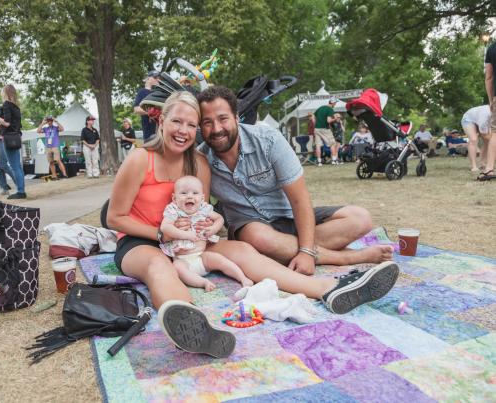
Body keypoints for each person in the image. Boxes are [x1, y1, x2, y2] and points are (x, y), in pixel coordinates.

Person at [106, 90, 399, 359]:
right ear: (161, 121)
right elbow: (114, 218)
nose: (183, 131)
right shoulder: (139, 160)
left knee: (244, 250)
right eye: (176, 122)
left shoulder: (199, 163)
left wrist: (207, 229)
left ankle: (326, 288)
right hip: (142, 241)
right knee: (160, 266)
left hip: (191, 243)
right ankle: (195, 327)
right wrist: (161, 233)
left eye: (191, 125)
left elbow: (205, 211)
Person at [196, 85, 394, 275]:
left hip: (290, 218)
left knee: (361, 218)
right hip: (252, 229)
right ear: (200, 126)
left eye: (223, 119)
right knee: (256, 236)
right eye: (207, 122)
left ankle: (283, 250)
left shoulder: (268, 140)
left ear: (237, 118)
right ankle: (345, 258)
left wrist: (306, 250)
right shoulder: (200, 160)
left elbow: (299, 199)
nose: (216, 128)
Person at [160, 175, 253, 292]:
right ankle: (203, 282)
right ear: (174, 198)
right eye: (183, 193)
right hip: (182, 259)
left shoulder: (203, 209)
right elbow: (165, 227)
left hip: (201, 256)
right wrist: (185, 235)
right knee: (177, 268)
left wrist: (213, 228)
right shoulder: (173, 210)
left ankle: (243, 278)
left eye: (195, 193)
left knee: (220, 260)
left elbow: (219, 219)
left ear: (202, 197)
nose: (189, 196)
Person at [0, 84, 26, 199]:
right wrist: (0, 124)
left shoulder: (6, 104)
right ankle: (21, 190)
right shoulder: (16, 106)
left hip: (9, 138)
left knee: (14, 166)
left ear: (5, 93)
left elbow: (7, 123)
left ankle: (20, 191)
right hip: (16, 136)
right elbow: (15, 124)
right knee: (18, 166)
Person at [478, 41, 496, 181]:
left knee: (495, 134)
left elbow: (488, 78)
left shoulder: (492, 48)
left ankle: (489, 169)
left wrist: (491, 100)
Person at [461, 105, 491, 171]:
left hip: (481, 121)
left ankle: (483, 164)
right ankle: (473, 166)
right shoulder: (485, 113)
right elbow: (484, 133)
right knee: (473, 139)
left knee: (488, 142)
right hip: (469, 119)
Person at [133, 70, 160, 142]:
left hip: (162, 131)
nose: (158, 79)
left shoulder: (160, 92)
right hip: (149, 132)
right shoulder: (142, 91)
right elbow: (136, 109)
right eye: (155, 77)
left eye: (158, 78)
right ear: (148, 79)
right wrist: (152, 112)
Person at [38, 116, 67, 180]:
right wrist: (42, 123)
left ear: (52, 121)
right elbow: (38, 131)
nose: (49, 122)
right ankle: (54, 176)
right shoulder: (46, 128)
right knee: (51, 162)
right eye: (48, 121)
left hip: (55, 146)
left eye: (51, 121)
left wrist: (56, 121)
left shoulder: (56, 128)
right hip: (48, 147)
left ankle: (65, 174)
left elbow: (62, 129)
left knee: (58, 160)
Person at [313, 97, 339, 166]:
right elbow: (328, 120)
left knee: (318, 145)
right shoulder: (330, 109)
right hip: (324, 129)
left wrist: (315, 124)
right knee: (332, 143)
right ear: (333, 103)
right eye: (335, 103)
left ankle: (319, 162)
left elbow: (313, 116)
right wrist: (335, 118)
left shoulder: (320, 108)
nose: (335, 104)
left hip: (316, 129)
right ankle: (334, 160)